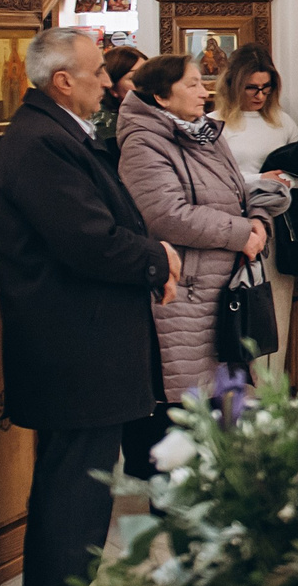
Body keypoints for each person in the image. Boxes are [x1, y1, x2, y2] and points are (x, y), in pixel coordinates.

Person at [0, 27, 179, 586]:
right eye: (98, 72)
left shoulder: (56, 132)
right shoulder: (41, 142)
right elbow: (86, 239)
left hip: (84, 340)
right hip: (73, 343)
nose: (108, 81)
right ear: (63, 80)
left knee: (82, 479)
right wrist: (157, 260)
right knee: (76, 482)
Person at [120, 53, 284, 427]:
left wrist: (258, 219)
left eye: (201, 81)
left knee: (228, 408)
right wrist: (242, 233)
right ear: (162, 97)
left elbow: (237, 191)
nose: (203, 90)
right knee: (193, 415)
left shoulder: (205, 130)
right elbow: (167, 215)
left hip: (225, 289)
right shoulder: (143, 142)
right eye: (191, 84)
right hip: (187, 294)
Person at [215, 45, 298, 369]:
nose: (259, 95)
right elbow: (208, 176)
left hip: (274, 229)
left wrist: (286, 181)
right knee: (230, 317)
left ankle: (267, 401)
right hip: (227, 229)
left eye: (266, 88)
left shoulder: (282, 123)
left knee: (273, 316)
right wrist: (258, 178)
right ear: (233, 85)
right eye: (251, 88)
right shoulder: (214, 123)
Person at [91, 43, 140, 166]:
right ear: (112, 87)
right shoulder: (108, 131)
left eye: (150, 75)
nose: (147, 83)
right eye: (134, 78)